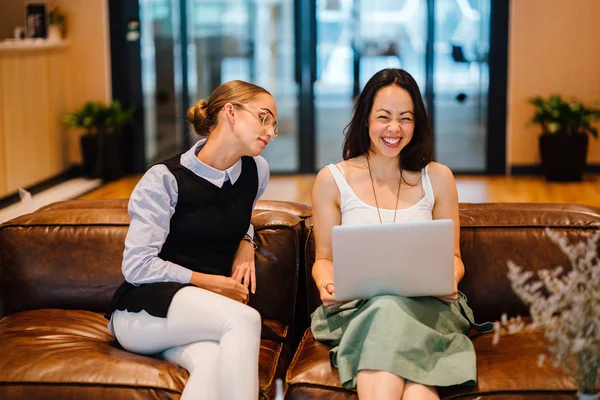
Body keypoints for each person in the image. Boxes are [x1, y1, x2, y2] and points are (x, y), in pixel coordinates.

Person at [310, 68, 491, 400]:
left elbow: (453, 258)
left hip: (428, 308)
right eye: (384, 117)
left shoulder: (437, 178)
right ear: (365, 119)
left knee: (391, 313)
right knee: (413, 375)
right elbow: (323, 260)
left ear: (417, 123)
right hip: (358, 310)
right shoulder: (332, 180)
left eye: (405, 118)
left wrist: (450, 278)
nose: (394, 129)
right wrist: (327, 284)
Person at [104, 80, 279, 400]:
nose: (270, 132)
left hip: (197, 317)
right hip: (146, 311)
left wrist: (246, 241)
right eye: (264, 118)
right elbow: (136, 266)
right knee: (245, 319)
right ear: (230, 112)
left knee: (211, 366)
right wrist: (209, 282)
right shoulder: (165, 179)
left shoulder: (257, 171)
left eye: (274, 125)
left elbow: (239, 218)